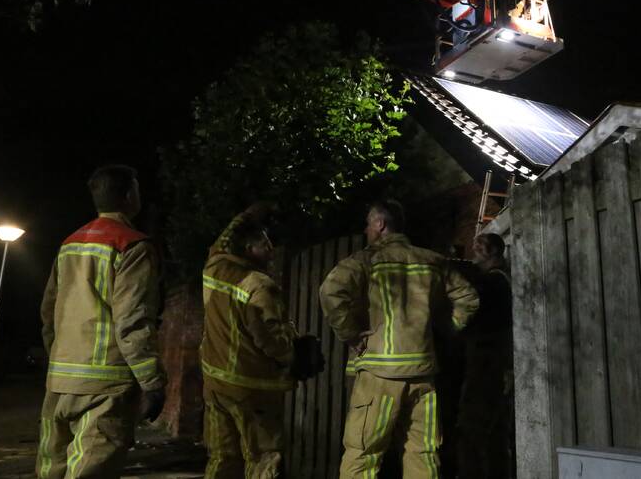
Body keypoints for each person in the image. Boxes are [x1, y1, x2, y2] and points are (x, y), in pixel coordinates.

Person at [319, 199, 480, 478]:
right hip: (423, 375)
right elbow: (468, 299)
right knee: (423, 454)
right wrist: (443, 328)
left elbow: (330, 291)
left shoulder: (367, 260)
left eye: (368, 224)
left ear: (380, 224)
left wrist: (351, 334)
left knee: (363, 454)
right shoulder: (432, 261)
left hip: (379, 375)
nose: (366, 230)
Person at [36, 164, 166, 479]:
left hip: (60, 382)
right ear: (129, 196)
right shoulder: (133, 246)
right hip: (106, 385)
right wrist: (152, 382)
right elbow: (133, 319)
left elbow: (49, 310)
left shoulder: (70, 244)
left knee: (51, 469)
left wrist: (58, 356)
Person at [200, 204, 302, 479]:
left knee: (223, 457)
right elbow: (270, 339)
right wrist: (293, 356)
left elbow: (222, 241)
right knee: (263, 459)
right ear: (248, 248)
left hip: (216, 383)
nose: (271, 249)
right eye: (264, 244)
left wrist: (245, 216)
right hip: (253, 388)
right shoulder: (259, 285)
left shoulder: (213, 268)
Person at [455, 233, 513, 479]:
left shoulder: (493, 283)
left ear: (494, 252)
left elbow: (473, 315)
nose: (474, 250)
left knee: (473, 430)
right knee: (494, 433)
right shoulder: (499, 280)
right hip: (493, 365)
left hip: (486, 365)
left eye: (480, 246)